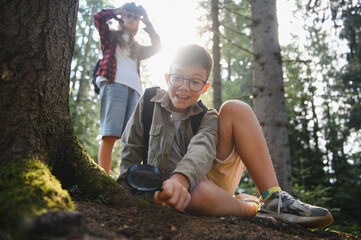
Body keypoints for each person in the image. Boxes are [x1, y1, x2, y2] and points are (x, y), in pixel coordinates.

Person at [117, 44, 333, 229]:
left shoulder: (207, 116)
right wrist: (125, 193)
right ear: (167, 77)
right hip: (171, 186)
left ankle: (268, 201)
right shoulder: (148, 102)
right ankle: (243, 206)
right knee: (198, 195)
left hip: (206, 176)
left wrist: (181, 180)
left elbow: (202, 149)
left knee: (235, 108)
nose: (184, 87)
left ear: (205, 87)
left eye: (195, 81)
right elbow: (131, 148)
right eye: (178, 78)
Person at [94, 2, 162, 175]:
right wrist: (116, 11)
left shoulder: (137, 48)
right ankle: (104, 178)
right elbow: (98, 18)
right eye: (128, 15)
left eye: (135, 17)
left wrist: (148, 22)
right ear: (121, 18)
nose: (132, 19)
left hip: (136, 91)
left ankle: (127, 181)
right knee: (110, 133)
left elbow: (158, 47)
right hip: (114, 84)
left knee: (132, 139)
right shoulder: (110, 38)